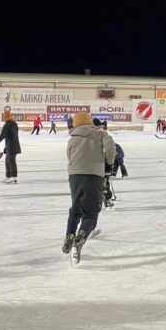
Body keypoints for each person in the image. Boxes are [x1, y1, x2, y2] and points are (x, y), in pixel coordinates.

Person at [62, 112, 116, 264]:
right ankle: (80, 239)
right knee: (91, 212)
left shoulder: (72, 139)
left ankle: (69, 236)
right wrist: (108, 165)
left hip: (74, 176)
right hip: (93, 175)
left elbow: (69, 156)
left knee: (76, 207)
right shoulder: (100, 134)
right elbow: (111, 149)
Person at [0, 111, 21, 184]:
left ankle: (14, 177)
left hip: (11, 146)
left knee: (11, 161)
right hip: (12, 145)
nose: (3, 117)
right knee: (7, 161)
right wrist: (6, 147)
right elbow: (10, 136)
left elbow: (2, 135)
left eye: (4, 116)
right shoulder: (13, 124)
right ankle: (9, 176)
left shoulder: (8, 125)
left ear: (5, 117)